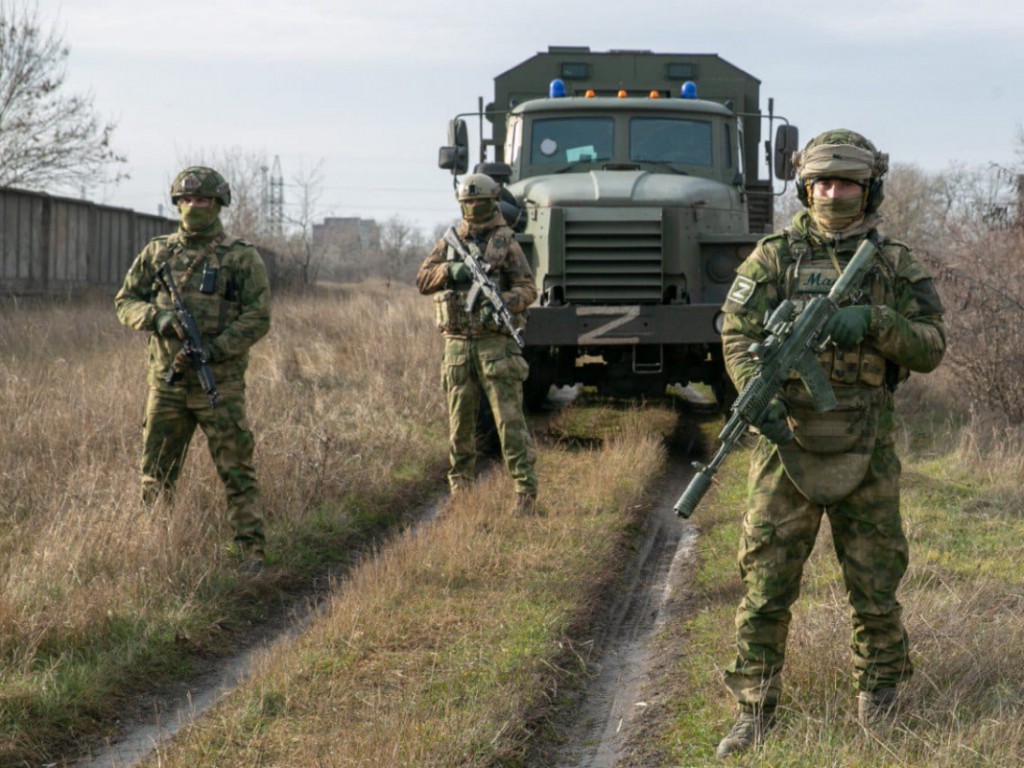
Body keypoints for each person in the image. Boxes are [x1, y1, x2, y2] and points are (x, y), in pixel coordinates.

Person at [714, 130, 946, 757]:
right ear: (804, 186)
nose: (832, 194)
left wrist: (873, 322)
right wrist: (751, 391)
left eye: (845, 183)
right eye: (822, 183)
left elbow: (931, 346)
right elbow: (735, 329)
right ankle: (754, 709)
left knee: (874, 585)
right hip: (786, 448)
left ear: (868, 188)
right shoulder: (774, 257)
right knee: (765, 584)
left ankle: (881, 700)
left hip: (866, 446)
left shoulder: (894, 263)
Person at [115, 166, 271, 565]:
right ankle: (154, 553)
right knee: (155, 476)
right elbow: (125, 301)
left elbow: (258, 316)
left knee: (236, 472)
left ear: (217, 205)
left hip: (219, 384)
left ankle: (250, 552)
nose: (193, 207)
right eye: (186, 200)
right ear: (177, 204)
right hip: (167, 384)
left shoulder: (239, 257)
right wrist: (159, 319)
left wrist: (216, 350)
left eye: (202, 200)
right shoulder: (158, 252)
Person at [416, 173, 539, 512]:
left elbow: (529, 289)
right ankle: (461, 495)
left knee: (509, 424)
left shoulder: (505, 242)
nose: (472, 207)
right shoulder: (451, 240)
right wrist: (451, 272)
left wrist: (501, 300)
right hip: (456, 346)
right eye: (467, 202)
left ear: (491, 201)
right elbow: (423, 279)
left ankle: (524, 493)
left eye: (478, 201)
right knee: (459, 426)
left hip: (495, 347)